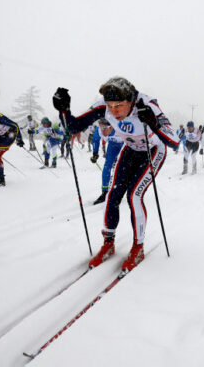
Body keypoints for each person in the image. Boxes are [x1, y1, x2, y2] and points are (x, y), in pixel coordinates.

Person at [52, 76, 178, 272]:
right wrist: (63, 111)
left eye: (119, 106)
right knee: (112, 195)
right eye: (110, 106)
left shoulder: (148, 105)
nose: (113, 111)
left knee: (134, 195)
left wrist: (153, 122)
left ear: (130, 101)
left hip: (153, 151)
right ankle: (108, 243)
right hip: (130, 150)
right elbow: (74, 127)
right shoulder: (104, 106)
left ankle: (138, 247)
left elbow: (174, 141)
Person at [91, 118, 124, 204]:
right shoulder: (98, 130)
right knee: (107, 166)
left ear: (112, 126)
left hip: (124, 145)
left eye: (105, 128)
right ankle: (105, 192)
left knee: (122, 167)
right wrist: (95, 153)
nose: (102, 131)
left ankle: (122, 188)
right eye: (101, 127)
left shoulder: (120, 127)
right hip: (113, 146)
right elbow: (95, 140)